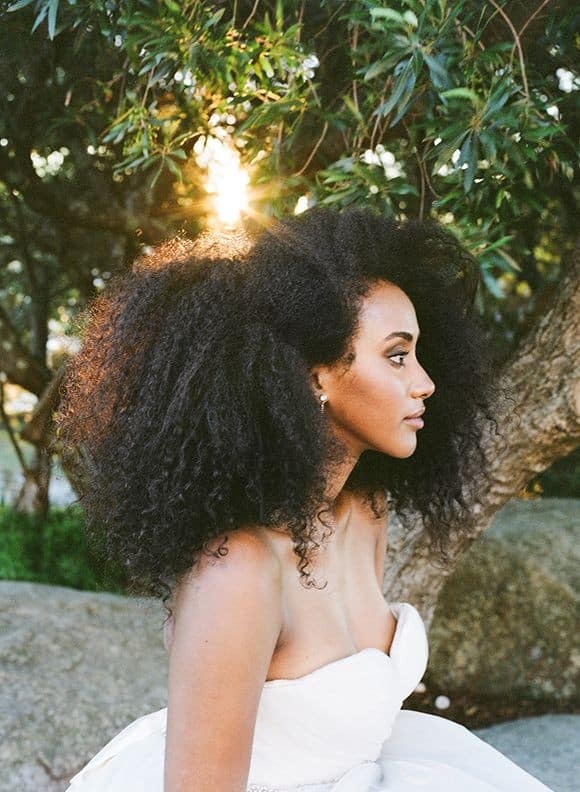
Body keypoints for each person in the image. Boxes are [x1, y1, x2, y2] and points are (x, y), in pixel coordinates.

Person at [56, 208, 552, 791]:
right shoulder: (237, 571)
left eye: (418, 354)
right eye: (397, 355)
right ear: (315, 377)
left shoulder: (365, 512)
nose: (425, 382)